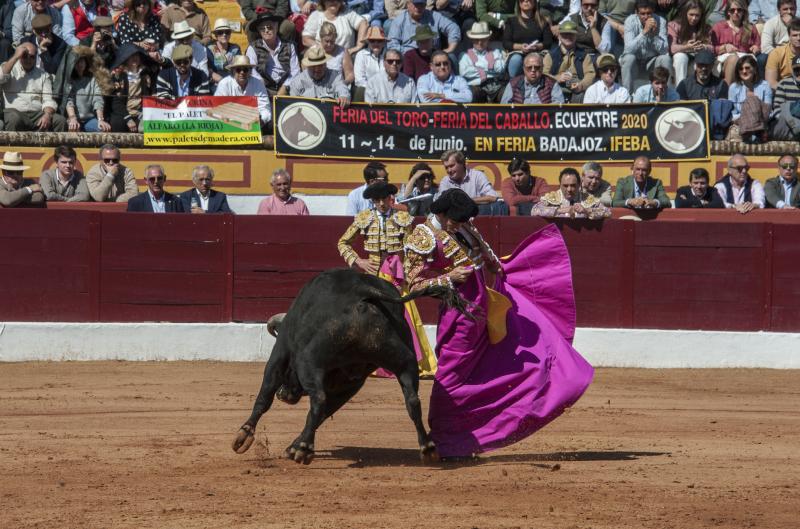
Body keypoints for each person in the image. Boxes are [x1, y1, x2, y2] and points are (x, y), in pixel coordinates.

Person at [402, 188, 593, 458]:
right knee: (451, 377)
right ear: (440, 213)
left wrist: (504, 268)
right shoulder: (423, 236)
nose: (461, 223)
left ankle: (468, 436)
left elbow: (490, 261)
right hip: (459, 315)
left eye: (463, 219)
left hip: (486, 311)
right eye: (455, 219)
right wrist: (448, 278)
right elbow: (413, 283)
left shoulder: (465, 227)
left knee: (498, 367)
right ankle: (444, 440)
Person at [338, 180, 413, 275]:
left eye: (384, 199)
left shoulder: (402, 217)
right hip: (373, 271)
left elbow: (410, 247)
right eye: (377, 200)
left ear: (390, 197)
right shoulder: (364, 217)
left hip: (396, 270)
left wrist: (405, 269)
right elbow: (343, 243)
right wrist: (359, 261)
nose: (381, 203)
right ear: (372, 200)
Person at [0, 42, 67, 132]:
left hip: (37, 114)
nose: (28, 59)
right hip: (14, 112)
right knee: (14, 118)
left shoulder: (43, 75)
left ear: (36, 57)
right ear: (19, 55)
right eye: (24, 56)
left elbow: (48, 99)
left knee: (60, 120)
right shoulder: (9, 68)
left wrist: (47, 115)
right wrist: (15, 57)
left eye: (32, 56)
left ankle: (58, 146)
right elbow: (1, 78)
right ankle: (11, 146)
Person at [619, 0, 671, 94]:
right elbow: (628, 50)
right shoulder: (630, 21)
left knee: (665, 59)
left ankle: (665, 95)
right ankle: (627, 96)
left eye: (649, 13)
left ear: (653, 11)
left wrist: (654, 36)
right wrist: (644, 32)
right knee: (628, 58)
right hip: (635, 64)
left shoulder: (661, 21)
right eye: (642, 14)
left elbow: (665, 50)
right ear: (636, 13)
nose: (646, 17)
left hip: (652, 64)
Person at [245, 12, 300, 97]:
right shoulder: (252, 48)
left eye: (269, 27)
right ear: (259, 31)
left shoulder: (289, 46)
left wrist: (285, 87)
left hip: (287, 89)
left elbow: (295, 71)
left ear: (276, 27)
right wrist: (261, 84)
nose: (266, 30)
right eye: (262, 29)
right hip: (262, 90)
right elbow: (251, 71)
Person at [106, 43, 157, 132]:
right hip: (122, 113)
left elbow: (149, 96)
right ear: (126, 58)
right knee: (117, 124)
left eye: (137, 55)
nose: (135, 58)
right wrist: (128, 118)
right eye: (131, 55)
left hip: (141, 112)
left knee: (147, 126)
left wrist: (142, 113)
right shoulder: (118, 75)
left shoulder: (146, 74)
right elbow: (116, 102)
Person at [60, 45, 112, 132]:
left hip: (90, 119)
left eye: (82, 61)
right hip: (73, 118)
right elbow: (69, 100)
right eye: (77, 62)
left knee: (103, 129)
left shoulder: (93, 79)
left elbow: (98, 99)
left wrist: (100, 120)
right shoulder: (70, 80)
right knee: (73, 129)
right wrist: (72, 118)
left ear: (86, 62)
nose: (79, 64)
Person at [543, 20, 597, 103]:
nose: (568, 37)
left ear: (576, 36)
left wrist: (580, 86)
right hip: (556, 88)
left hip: (577, 91)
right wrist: (557, 78)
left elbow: (590, 74)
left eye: (571, 34)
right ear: (559, 36)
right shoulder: (550, 55)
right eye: (564, 34)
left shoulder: (584, 55)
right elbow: (543, 74)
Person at [214, 55, 272, 130]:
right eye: (238, 70)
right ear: (232, 71)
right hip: (229, 125)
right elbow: (218, 109)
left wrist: (261, 120)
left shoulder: (258, 83)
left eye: (245, 70)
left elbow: (265, 108)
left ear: (250, 71)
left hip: (254, 125)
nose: (242, 72)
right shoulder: (224, 84)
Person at [438, 149, 502, 215]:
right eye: (446, 167)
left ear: (462, 163)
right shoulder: (445, 181)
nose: (449, 170)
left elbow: (492, 197)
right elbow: (442, 203)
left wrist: (466, 201)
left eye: (451, 166)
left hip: (476, 217)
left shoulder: (477, 176)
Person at [710, 0, 760, 85]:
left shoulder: (751, 28)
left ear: (743, 12)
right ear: (728, 12)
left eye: (739, 10)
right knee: (734, 58)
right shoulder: (719, 27)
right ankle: (727, 91)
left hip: (744, 58)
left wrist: (756, 48)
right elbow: (711, 49)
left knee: (747, 62)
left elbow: (758, 45)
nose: (736, 12)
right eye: (732, 10)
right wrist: (724, 47)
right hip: (724, 61)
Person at [532, 167, 612, 219]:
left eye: (573, 185)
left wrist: (587, 210)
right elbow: (534, 210)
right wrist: (559, 210)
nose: (569, 189)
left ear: (579, 185)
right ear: (560, 185)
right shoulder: (553, 197)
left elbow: (608, 212)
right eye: (565, 186)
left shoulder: (587, 198)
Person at [388, 0, 461, 55]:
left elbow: (453, 27)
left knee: (451, 57)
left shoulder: (434, 16)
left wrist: (450, 49)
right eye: (416, 5)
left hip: (433, 56)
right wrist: (411, 53)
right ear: (408, 4)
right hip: (409, 57)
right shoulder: (399, 20)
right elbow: (392, 45)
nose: (419, 8)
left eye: (422, 4)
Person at [502, 0, 553, 78]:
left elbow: (548, 42)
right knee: (516, 59)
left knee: (538, 60)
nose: (526, 1)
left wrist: (536, 46)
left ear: (534, 2)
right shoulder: (511, 21)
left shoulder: (543, 21)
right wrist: (521, 47)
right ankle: (513, 83)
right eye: (522, 0)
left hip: (537, 53)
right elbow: (506, 43)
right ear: (519, 2)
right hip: (518, 53)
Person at [727, 54, 772, 141]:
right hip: (741, 124)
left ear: (754, 69)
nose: (744, 71)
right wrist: (747, 118)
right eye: (741, 69)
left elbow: (768, 112)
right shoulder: (733, 88)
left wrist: (754, 117)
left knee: (753, 101)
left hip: (761, 125)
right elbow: (732, 114)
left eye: (747, 68)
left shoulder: (765, 86)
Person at [458, 22, 505, 102]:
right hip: (476, 87)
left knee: (506, 93)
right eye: (476, 40)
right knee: (472, 93)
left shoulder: (496, 52)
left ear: (488, 39)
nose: (480, 43)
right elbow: (464, 72)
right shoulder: (465, 55)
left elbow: (500, 69)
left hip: (495, 85)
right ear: (472, 40)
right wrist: (490, 66)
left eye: (483, 39)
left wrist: (476, 67)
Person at [668, 0, 712, 85]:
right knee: (680, 57)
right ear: (685, 13)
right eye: (691, 15)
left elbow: (712, 48)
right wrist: (686, 47)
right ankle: (681, 90)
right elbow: (671, 48)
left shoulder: (706, 28)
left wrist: (703, 46)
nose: (694, 18)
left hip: (697, 58)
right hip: (681, 58)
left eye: (697, 15)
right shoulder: (674, 25)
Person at [302, 0, 367, 55]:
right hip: (322, 59)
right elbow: (306, 39)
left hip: (347, 57)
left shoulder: (347, 13)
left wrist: (358, 46)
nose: (333, 1)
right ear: (323, 1)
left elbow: (363, 23)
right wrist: (321, 48)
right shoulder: (316, 15)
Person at [500, 51, 565, 103]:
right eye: (529, 67)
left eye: (537, 67)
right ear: (524, 69)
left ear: (542, 68)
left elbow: (559, 106)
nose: (533, 70)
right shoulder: (513, 84)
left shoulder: (552, 84)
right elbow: (504, 108)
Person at [769, 55, 800, 139]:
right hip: (787, 122)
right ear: (792, 70)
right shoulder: (783, 83)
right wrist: (792, 123)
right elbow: (777, 109)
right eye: (797, 70)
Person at [765, 17, 800, 90]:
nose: (798, 38)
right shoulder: (776, 53)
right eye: (795, 35)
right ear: (789, 36)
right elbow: (771, 82)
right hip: (784, 92)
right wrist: (790, 90)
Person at [207, 18, 242, 85]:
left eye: (227, 32)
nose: (224, 35)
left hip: (233, 83)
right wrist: (222, 81)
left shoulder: (236, 49)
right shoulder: (209, 49)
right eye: (220, 32)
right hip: (215, 84)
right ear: (215, 35)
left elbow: (239, 68)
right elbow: (209, 70)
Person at [353, 26, 387, 94]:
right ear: (368, 42)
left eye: (379, 41)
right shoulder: (361, 55)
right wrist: (374, 89)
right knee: (360, 90)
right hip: (366, 91)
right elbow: (359, 80)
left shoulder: (389, 56)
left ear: (383, 43)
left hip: (385, 91)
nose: (376, 44)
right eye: (372, 41)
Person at [319, 21, 354, 85]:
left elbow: (350, 75)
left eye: (332, 41)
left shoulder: (343, 52)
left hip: (337, 87)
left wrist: (342, 85)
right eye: (326, 41)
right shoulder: (314, 51)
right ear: (321, 38)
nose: (329, 44)